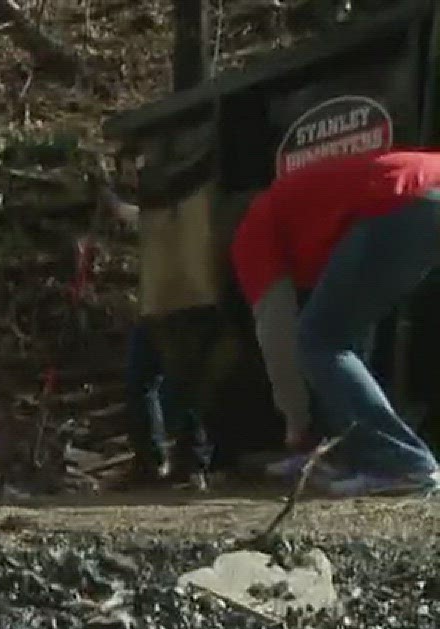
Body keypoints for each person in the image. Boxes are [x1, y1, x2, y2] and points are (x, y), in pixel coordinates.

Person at [231, 149, 440, 496]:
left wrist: (296, 425)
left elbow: (277, 332)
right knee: (341, 338)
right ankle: (354, 454)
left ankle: (402, 462)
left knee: (318, 339)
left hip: (403, 198)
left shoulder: (252, 231)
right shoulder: (306, 221)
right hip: (423, 187)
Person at [94, 176, 212, 488]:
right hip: (171, 305)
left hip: (174, 305)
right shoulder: (184, 208)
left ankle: (173, 462)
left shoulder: (181, 209)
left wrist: (109, 199)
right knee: (159, 381)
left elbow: (131, 216)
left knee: (158, 381)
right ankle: (168, 462)